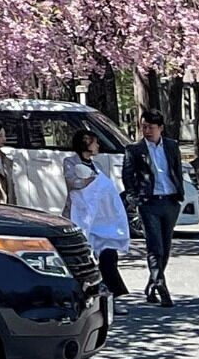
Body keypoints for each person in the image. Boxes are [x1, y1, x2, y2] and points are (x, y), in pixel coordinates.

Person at [122, 107, 186, 307]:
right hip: (148, 203)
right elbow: (127, 175)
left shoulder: (171, 146)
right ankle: (161, 285)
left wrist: (178, 196)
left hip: (170, 201)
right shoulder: (134, 150)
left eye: (150, 127)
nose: (146, 130)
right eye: (143, 127)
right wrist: (134, 199)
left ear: (161, 128)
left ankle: (152, 284)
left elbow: (175, 169)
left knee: (165, 248)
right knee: (154, 246)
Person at [63, 127, 130, 297]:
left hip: (100, 218)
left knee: (109, 254)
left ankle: (114, 293)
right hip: (80, 216)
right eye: (95, 142)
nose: (98, 146)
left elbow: (104, 189)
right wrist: (89, 180)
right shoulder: (70, 162)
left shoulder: (97, 165)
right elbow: (74, 183)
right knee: (86, 257)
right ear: (86, 144)